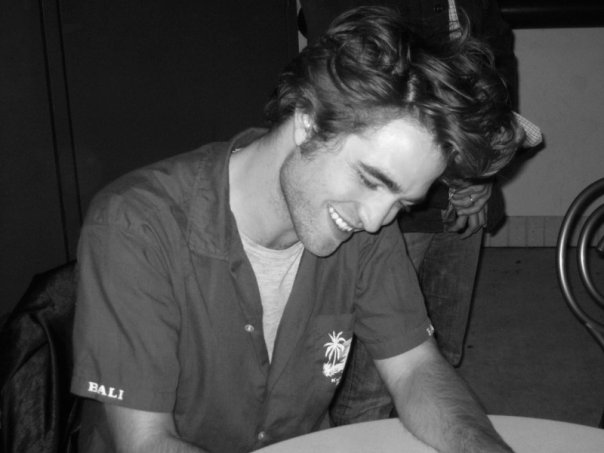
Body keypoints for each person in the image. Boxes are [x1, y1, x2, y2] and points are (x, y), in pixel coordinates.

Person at [71, 6, 527, 453]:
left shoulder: (367, 227)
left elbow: (414, 368)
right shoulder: (136, 226)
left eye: (402, 203)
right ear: (308, 119)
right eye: (371, 180)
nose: (375, 220)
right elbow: (147, 443)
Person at [299, 0, 542, 424]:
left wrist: (482, 169)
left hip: (466, 194)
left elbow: (497, 64)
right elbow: (352, 78)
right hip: (395, 198)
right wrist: (458, 169)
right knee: (375, 377)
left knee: (441, 358)